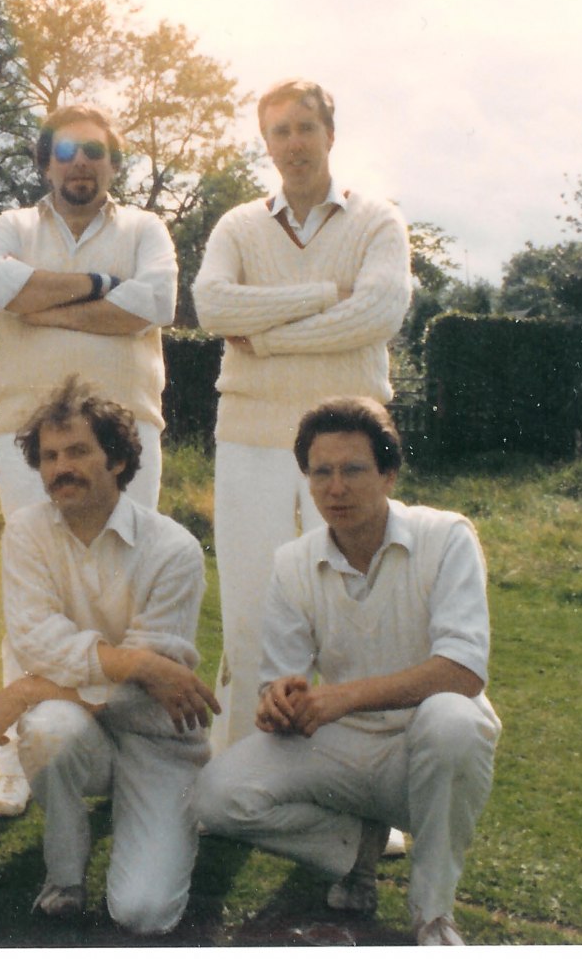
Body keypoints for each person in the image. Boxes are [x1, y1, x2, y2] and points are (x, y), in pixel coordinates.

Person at [191, 397, 499, 947]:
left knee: (454, 720)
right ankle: (356, 849)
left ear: (388, 474)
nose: (336, 489)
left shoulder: (447, 536)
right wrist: (278, 702)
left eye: (353, 470)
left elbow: (463, 671)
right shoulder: (293, 562)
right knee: (216, 796)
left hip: (425, 752)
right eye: (321, 473)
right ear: (308, 481)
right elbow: (281, 679)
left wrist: (344, 697)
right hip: (344, 751)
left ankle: (433, 913)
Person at [190, 79, 412, 755]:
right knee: (251, 612)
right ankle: (241, 767)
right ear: (267, 143)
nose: (294, 143)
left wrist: (265, 340)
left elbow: (377, 313)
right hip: (250, 438)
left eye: (305, 127)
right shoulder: (238, 225)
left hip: (349, 446)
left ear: (330, 135)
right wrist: (322, 295)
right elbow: (213, 307)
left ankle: (360, 769)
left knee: (355, 607)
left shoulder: (378, 221)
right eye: (280, 131)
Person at [0, 104, 179, 816]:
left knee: (130, 597)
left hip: (130, 436)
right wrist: (101, 286)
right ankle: (15, 765)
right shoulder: (11, 226)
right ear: (45, 162)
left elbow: (158, 301)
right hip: (26, 437)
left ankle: (128, 761)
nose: (81, 163)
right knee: (31, 595)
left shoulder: (146, 229)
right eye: (66, 151)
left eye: (95, 151)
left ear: (113, 163)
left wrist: (44, 301)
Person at [0, 378, 217, 935]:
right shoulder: (28, 532)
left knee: (143, 913)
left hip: (158, 742)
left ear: (119, 459)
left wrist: (31, 688)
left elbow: (151, 692)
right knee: (49, 729)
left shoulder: (173, 549)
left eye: (78, 451)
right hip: (79, 729)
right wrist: (137, 663)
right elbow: (36, 639)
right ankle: (64, 878)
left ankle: (156, 818)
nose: (62, 468)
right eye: (50, 456)